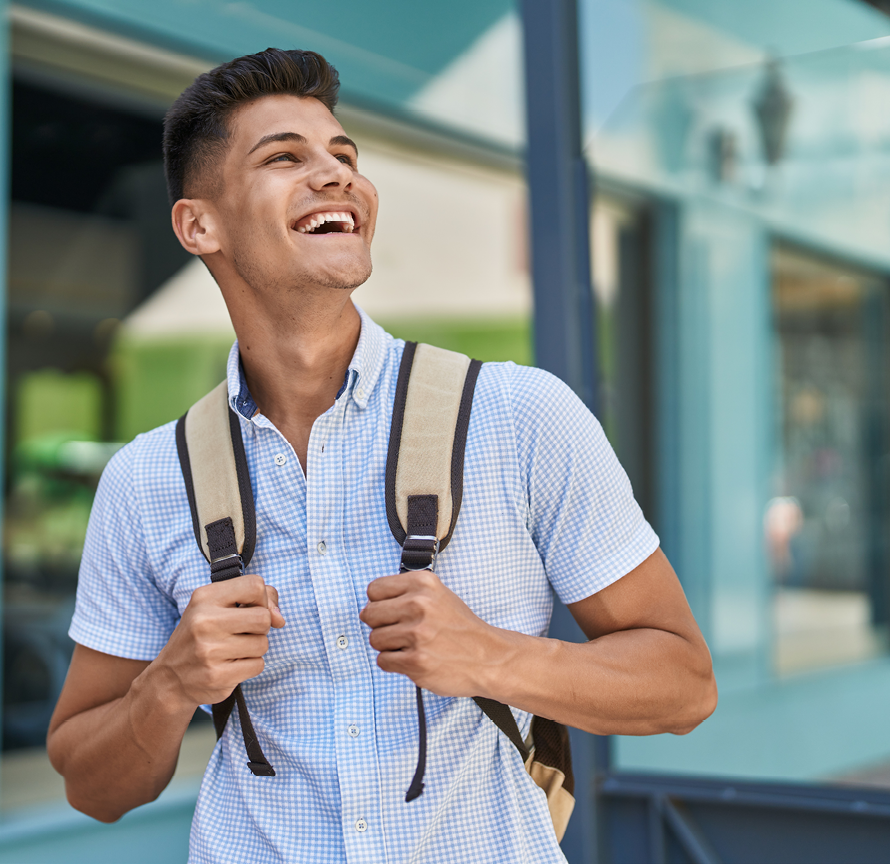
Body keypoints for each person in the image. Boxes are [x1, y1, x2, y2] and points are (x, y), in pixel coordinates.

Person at [48, 48, 716, 863]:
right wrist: (171, 684)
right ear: (199, 225)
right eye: (284, 157)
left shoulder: (517, 415)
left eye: (344, 157)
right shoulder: (146, 481)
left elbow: (683, 684)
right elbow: (92, 784)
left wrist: (492, 657)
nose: (335, 176)